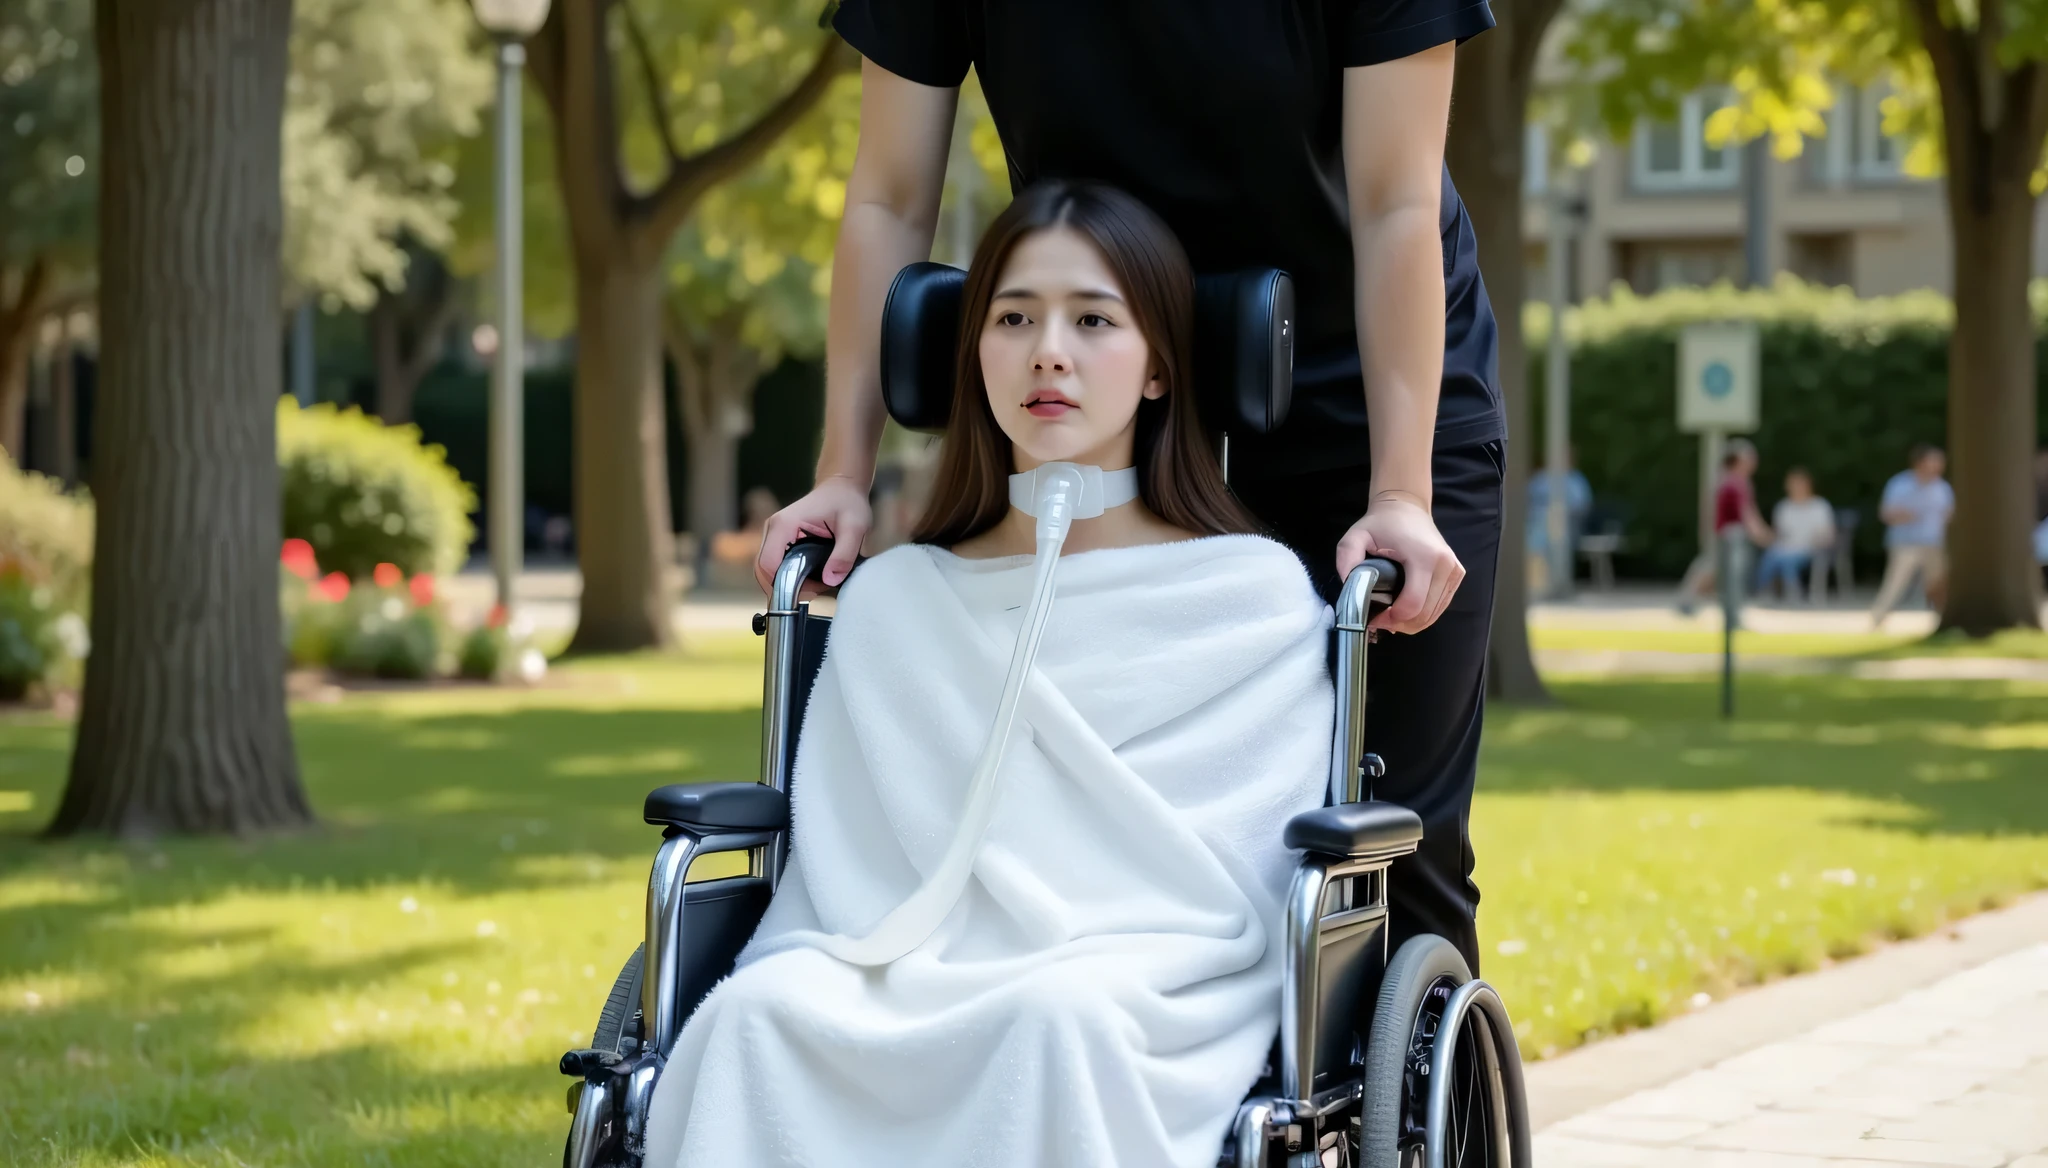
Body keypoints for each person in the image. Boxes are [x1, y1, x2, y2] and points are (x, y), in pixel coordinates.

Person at [757, 0, 1505, 975]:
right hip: (1112, 392)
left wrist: (1400, 491)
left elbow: (1393, 205)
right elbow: (887, 196)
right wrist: (841, 472)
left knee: (1390, 840)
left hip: (1363, 386)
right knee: (1079, 824)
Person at [649, 182, 1336, 1167]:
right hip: (890, 952)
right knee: (754, 1013)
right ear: (973, 356)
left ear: (1156, 369)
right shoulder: (896, 599)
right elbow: (848, 869)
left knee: (1053, 1019)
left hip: (1134, 971)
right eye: (1013, 318)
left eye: (1092, 320)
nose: (1046, 351)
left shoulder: (1248, 594)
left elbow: (1231, 869)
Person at [1676, 439, 1771, 614]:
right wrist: (1763, 535)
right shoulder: (1736, 482)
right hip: (1729, 537)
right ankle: (1692, 603)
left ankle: (1689, 601)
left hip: (1722, 534)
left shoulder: (1725, 480)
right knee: (1718, 571)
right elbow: (1747, 514)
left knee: (1710, 568)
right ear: (1738, 461)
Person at [1871, 444, 1953, 626]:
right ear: (1920, 463)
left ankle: (1943, 621)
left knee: (1938, 586)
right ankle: (1877, 619)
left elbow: (1949, 514)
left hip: (1934, 544)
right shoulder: (1900, 484)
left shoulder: (1942, 487)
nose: (1938, 466)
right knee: (1895, 583)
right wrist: (1905, 515)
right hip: (1906, 543)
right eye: (1934, 461)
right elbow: (1886, 513)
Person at [1755, 467, 1835, 602]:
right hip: (1784, 547)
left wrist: (1821, 540)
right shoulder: (1783, 507)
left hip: (1809, 548)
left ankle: (1792, 592)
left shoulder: (1820, 506)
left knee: (1786, 560)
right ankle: (1763, 591)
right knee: (1769, 558)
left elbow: (1828, 533)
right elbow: (1778, 533)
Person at [1526, 450, 1591, 590]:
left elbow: (1581, 507)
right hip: (1537, 525)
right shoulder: (1541, 479)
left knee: (1550, 521)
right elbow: (1527, 502)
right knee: (1541, 522)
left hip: (1568, 527)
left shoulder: (1576, 481)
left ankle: (1551, 581)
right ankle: (1540, 581)